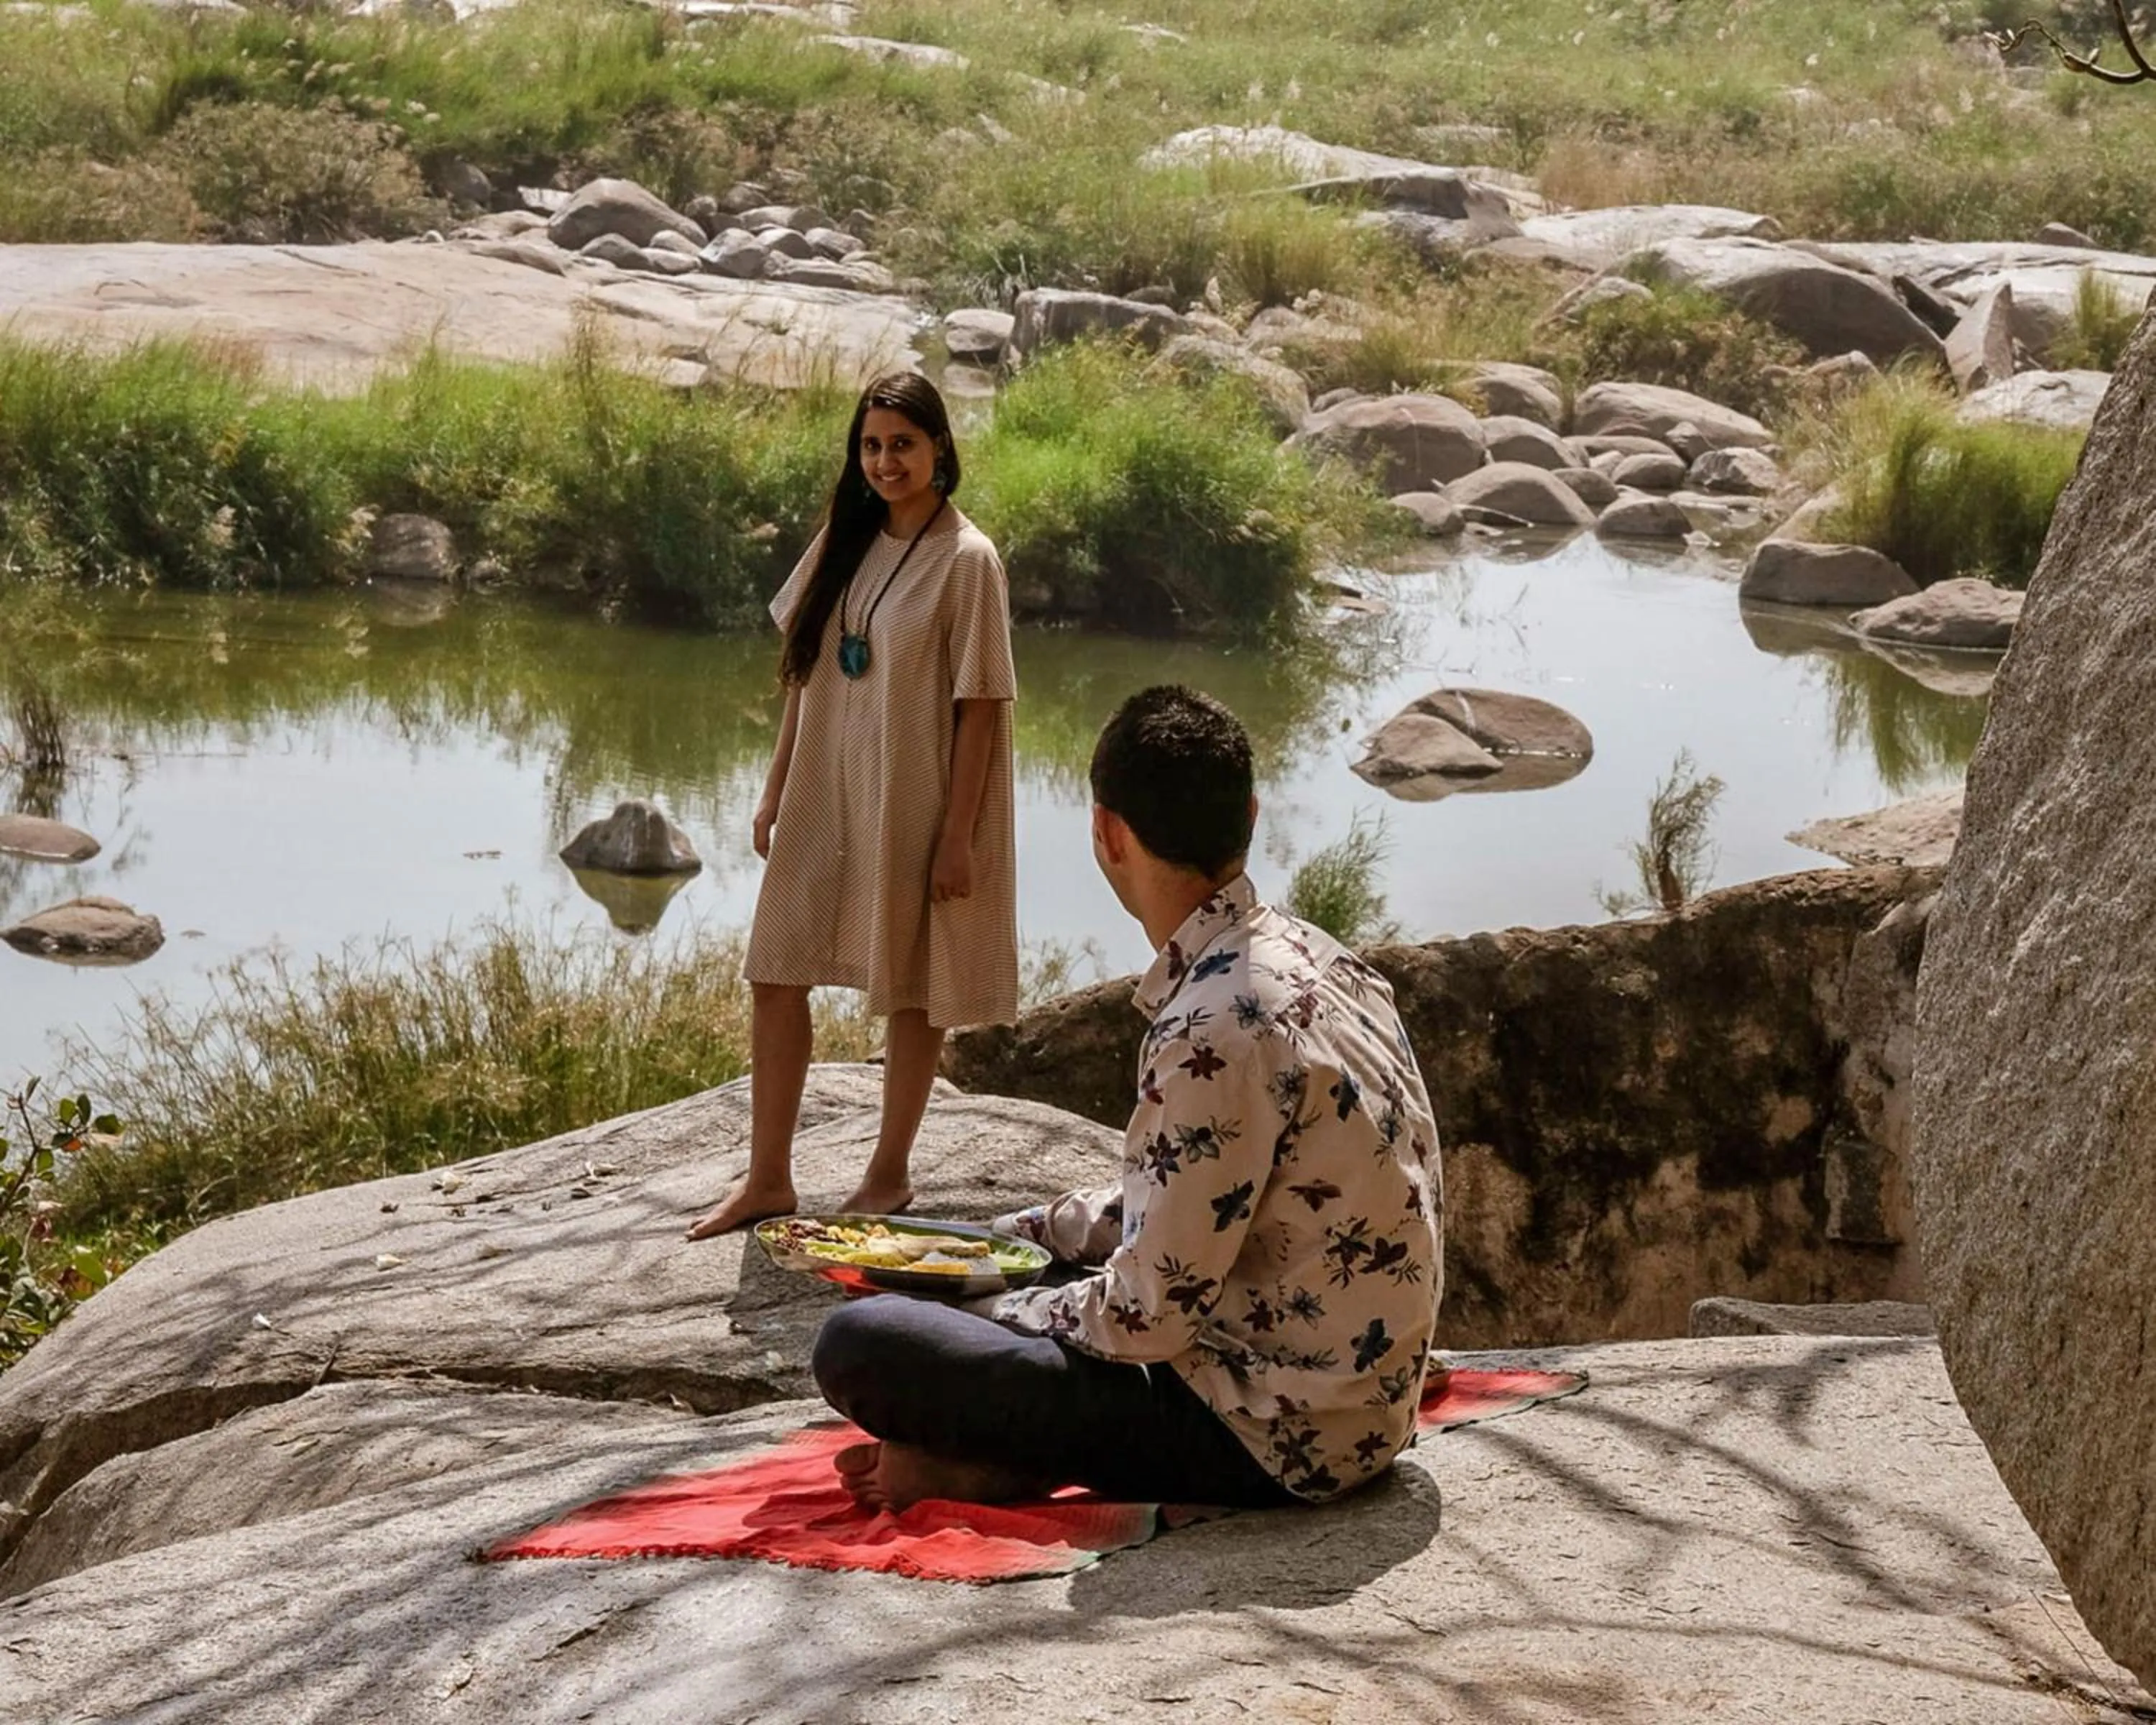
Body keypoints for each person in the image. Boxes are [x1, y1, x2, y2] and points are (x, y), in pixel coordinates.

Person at [812, 685, 1444, 1512]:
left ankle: (989, 1465)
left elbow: (1148, 1319)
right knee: (951, 1268)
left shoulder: (1210, 1027)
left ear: (1107, 834)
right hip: (1357, 1401)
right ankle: (1001, 1450)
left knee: (865, 1342)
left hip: (1274, 1436)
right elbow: (1202, 1198)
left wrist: (1003, 1300)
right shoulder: (1324, 963)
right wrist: (1012, 1242)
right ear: (1250, 817)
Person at [687, 373, 1019, 1239]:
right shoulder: (847, 536)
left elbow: (982, 704)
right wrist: (773, 785)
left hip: (916, 794)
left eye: (902, 445)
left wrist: (958, 838)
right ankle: (768, 1179)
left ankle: (888, 1174)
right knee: (775, 968)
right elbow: (805, 669)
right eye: (871, 446)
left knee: (913, 985)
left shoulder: (969, 561)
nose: (884, 461)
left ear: (939, 448)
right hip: (824, 788)